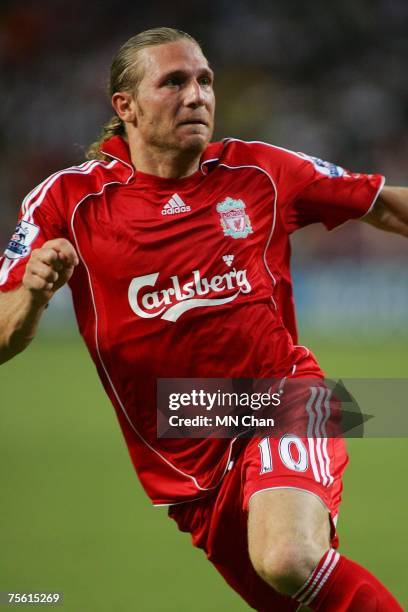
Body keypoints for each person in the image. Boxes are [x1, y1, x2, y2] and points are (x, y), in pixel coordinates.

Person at [0, 27, 406, 611]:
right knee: (303, 597)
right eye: (174, 82)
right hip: (183, 454)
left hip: (279, 397)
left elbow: (386, 207)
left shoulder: (260, 171)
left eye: (205, 80)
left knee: (287, 556)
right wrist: (34, 293)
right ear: (126, 107)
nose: (197, 95)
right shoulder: (67, 201)